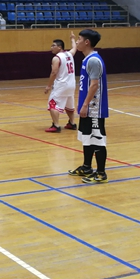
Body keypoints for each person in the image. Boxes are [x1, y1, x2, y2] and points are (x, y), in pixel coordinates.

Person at [68, 29, 109, 184]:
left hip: (94, 109)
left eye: (79, 39)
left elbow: (94, 85)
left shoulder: (93, 60)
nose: (77, 42)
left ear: (86, 42)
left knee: (97, 140)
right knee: (87, 138)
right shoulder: (87, 59)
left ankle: (101, 173)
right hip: (87, 107)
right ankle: (86, 167)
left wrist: (85, 105)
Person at [44, 33, 77, 132]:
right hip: (72, 84)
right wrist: (72, 39)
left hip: (61, 85)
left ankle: (56, 125)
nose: (51, 47)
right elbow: (74, 48)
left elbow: (54, 72)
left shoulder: (56, 58)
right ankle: (72, 123)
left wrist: (48, 86)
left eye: (53, 45)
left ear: (59, 47)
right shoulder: (69, 54)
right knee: (69, 105)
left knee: (52, 104)